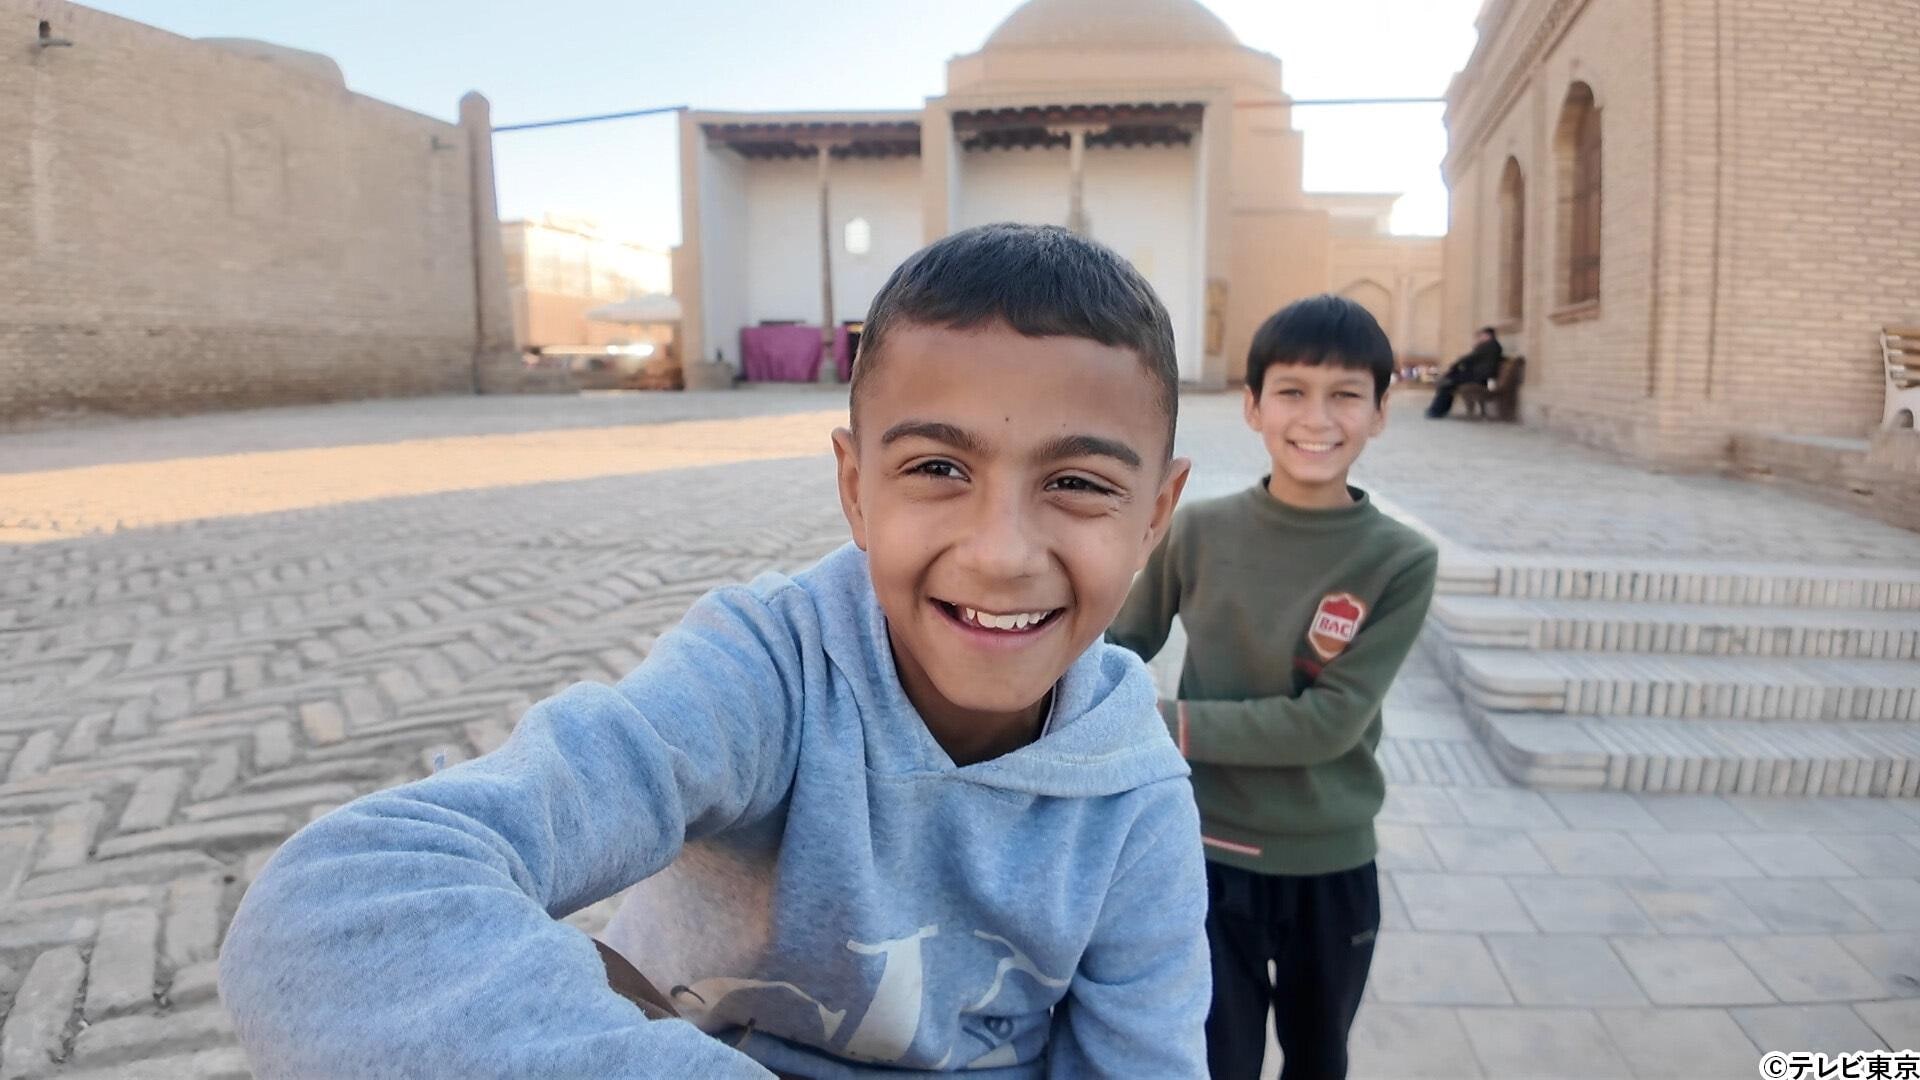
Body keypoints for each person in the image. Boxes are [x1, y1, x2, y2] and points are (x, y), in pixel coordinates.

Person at [218, 224, 1210, 1078]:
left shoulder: (1136, 800)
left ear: (1156, 514)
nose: (1000, 554)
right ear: (856, 490)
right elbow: (335, 908)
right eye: (939, 467)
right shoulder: (767, 673)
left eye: (1079, 484)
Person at [1108, 294, 1439, 1080]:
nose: (1316, 418)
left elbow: (1326, 724)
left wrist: (1156, 723)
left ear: (1380, 413)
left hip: (1329, 862)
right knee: (1214, 1059)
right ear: (1253, 406)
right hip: (1203, 851)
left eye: (1345, 395)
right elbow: (1118, 644)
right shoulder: (1199, 530)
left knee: (1319, 1057)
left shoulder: (1400, 560)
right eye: (1292, 391)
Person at [1424, 326, 1504, 418]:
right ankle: (1439, 409)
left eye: (1481, 336)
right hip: (1478, 375)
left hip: (1478, 376)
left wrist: (1454, 366)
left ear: (1487, 335)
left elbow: (1470, 358)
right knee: (1448, 382)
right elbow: (1473, 359)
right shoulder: (1492, 346)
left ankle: (1436, 410)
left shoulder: (1489, 346)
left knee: (1447, 382)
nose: (1480, 338)